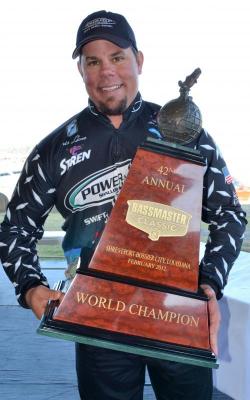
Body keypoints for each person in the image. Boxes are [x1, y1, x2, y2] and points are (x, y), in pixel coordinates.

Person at [0, 10, 247, 400]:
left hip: (178, 314)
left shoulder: (186, 134)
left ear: (139, 61)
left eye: (117, 57)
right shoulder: (53, 149)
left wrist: (209, 284)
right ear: (81, 69)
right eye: (93, 61)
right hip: (99, 321)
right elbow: (15, 228)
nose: (106, 72)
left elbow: (230, 214)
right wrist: (31, 287)